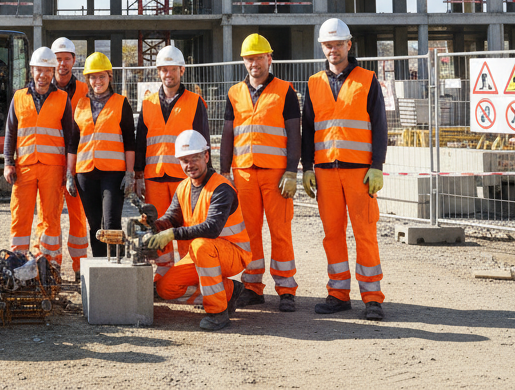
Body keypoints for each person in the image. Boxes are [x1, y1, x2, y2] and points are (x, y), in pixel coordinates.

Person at [302, 18, 387, 321]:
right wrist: (307, 167)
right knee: (332, 235)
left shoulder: (367, 79)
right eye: (328, 45)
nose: (333, 49)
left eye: (338, 44)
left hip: (360, 172)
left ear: (348, 45)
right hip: (326, 171)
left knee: (365, 233)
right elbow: (308, 130)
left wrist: (377, 166)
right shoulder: (313, 83)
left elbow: (380, 125)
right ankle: (338, 294)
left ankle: (372, 298)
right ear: (322, 47)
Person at [220, 33, 300, 312]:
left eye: (259, 58)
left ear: (269, 59)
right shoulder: (234, 93)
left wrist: (292, 171)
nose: (254, 63)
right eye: (249, 59)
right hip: (243, 173)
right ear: (244, 61)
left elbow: (294, 133)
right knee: (249, 232)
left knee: (280, 230)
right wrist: (224, 172)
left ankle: (286, 289)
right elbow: (227, 134)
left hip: (276, 175)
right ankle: (252, 286)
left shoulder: (285, 91)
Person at [149, 129, 251, 331]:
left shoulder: (222, 188)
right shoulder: (183, 187)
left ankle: (218, 312)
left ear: (206, 156)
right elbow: (172, 219)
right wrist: (153, 225)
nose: (190, 165)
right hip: (202, 256)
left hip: (233, 253)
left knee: (201, 245)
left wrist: (172, 234)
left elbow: (212, 228)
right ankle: (229, 290)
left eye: (194, 158)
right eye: (184, 160)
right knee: (165, 288)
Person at [134, 43, 209, 284]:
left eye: (173, 69)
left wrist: (204, 177)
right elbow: (140, 141)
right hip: (154, 176)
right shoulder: (148, 103)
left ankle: (188, 274)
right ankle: (164, 275)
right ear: (158, 72)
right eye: (164, 70)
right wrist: (137, 174)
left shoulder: (195, 102)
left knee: (188, 226)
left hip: (185, 178)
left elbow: (203, 141)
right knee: (158, 226)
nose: (168, 74)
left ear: (182, 70)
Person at [3, 45, 78, 266]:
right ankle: (17, 263)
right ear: (32, 71)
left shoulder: (63, 98)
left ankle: (50, 263)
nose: (43, 75)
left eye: (47, 70)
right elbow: (10, 133)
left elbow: (70, 137)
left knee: (50, 217)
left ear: (53, 72)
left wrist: (69, 171)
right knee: (20, 215)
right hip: (24, 168)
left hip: (53, 169)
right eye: (39, 70)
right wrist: (8, 163)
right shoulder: (18, 97)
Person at [32, 37, 90, 282]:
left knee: (78, 217)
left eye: (67, 58)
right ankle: (48, 265)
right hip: (50, 164)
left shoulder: (86, 91)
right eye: (58, 59)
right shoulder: (42, 90)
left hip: (78, 165)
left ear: (74, 61)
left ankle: (79, 268)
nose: (62, 64)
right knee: (47, 216)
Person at [71, 52, 136, 257]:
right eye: (93, 77)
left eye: (101, 76)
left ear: (110, 77)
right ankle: (99, 264)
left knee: (111, 222)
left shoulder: (121, 103)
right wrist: (69, 175)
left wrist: (130, 173)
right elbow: (73, 143)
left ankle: (117, 265)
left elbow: (130, 141)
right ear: (87, 79)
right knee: (94, 225)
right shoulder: (80, 104)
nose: (97, 81)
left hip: (113, 173)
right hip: (85, 173)